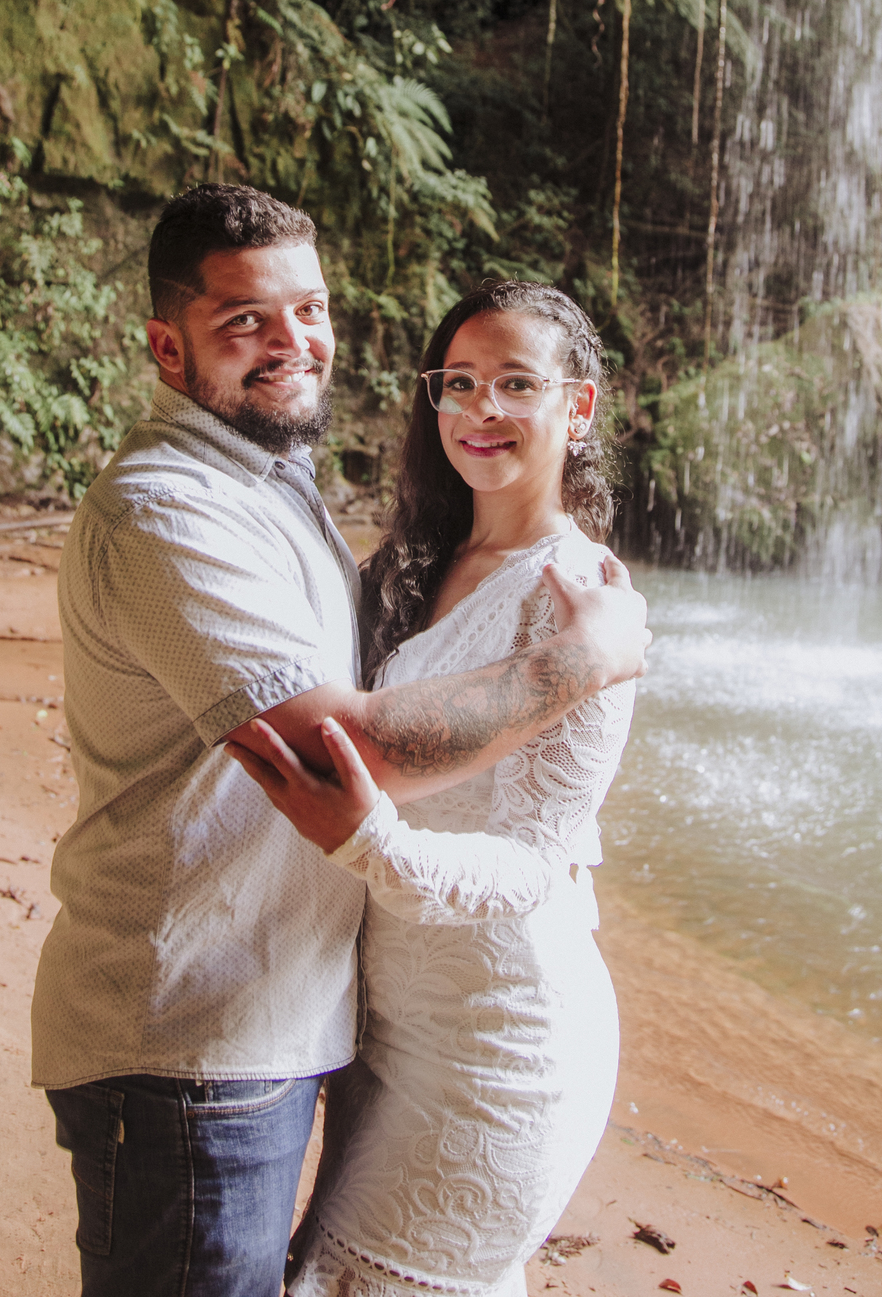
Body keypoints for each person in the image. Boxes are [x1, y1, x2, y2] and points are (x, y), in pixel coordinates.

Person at [31, 186, 648, 1297]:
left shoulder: (286, 493)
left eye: (308, 310)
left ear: (580, 406)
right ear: (167, 348)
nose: (292, 341)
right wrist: (580, 664)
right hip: (193, 1030)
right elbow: (343, 752)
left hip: (381, 1023)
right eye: (245, 320)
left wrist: (580, 653)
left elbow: (539, 854)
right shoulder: (174, 508)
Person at [229, 279, 636, 1297]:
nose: (480, 409)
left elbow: (537, 865)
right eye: (459, 383)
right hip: (385, 1026)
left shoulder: (585, 601)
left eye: (516, 384)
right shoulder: (418, 563)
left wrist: (372, 843)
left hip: (501, 1039)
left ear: (578, 408)